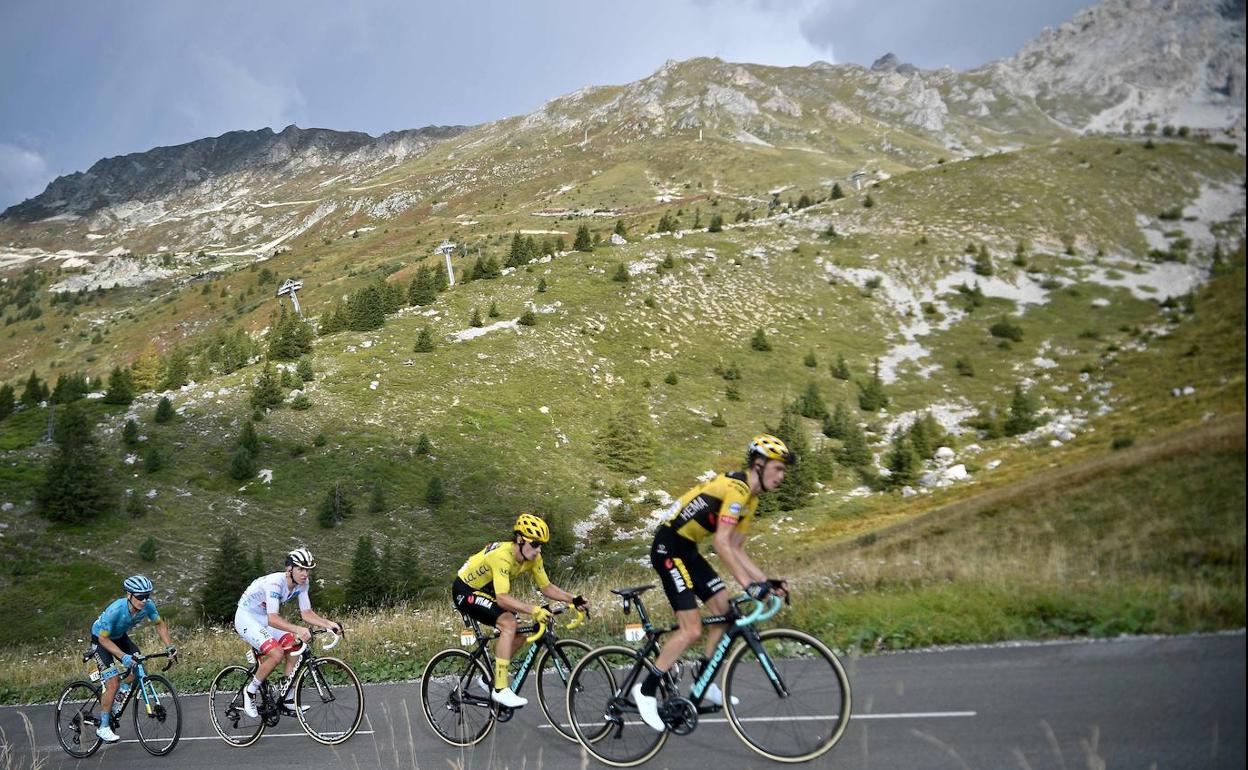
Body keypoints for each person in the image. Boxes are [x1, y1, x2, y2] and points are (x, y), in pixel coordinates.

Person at [632, 434, 794, 731]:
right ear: (759, 464)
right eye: (778, 468)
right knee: (692, 628)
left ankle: (704, 679)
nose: (782, 476)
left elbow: (737, 548)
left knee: (724, 610)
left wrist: (765, 582)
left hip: (688, 550)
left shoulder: (751, 500)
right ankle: (645, 690)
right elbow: (721, 544)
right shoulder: (737, 489)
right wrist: (749, 585)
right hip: (668, 548)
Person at [453, 513, 590, 708]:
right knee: (508, 623)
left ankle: (489, 678)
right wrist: (534, 609)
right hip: (465, 590)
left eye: (541, 545)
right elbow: (502, 598)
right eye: (534, 544)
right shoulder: (502, 556)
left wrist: (573, 599)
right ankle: (500, 689)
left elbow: (546, 587)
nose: (538, 549)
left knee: (519, 632)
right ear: (519, 540)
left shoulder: (534, 558)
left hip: (487, 591)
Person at [234, 548, 342, 719]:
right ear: (289, 569)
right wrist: (298, 629)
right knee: (277, 653)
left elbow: (307, 613)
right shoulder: (275, 583)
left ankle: (287, 700)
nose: (305, 574)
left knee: (294, 647)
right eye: (301, 569)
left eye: (307, 570)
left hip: (263, 618)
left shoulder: (302, 584)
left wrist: (330, 624)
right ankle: (250, 692)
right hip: (246, 617)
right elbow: (273, 619)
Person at [90, 575, 177, 744]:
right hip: (101, 639)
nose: (144, 600)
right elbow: (104, 640)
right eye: (140, 596)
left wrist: (169, 646)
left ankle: (118, 698)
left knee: (139, 666)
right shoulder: (115, 610)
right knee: (113, 681)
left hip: (119, 636)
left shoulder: (148, 606)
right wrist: (123, 657)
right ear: (129, 595)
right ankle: (104, 727)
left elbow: (159, 623)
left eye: (147, 596)